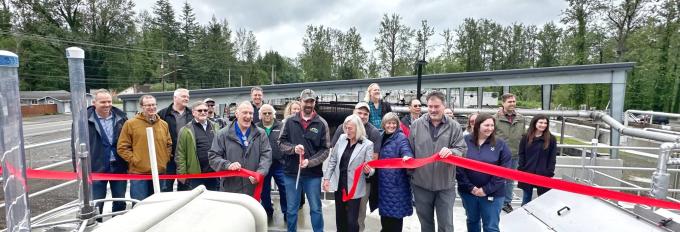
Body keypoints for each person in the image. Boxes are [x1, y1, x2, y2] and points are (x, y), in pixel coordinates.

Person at [409, 91, 466, 232]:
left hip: (445, 186)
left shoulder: (454, 126)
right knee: (425, 223)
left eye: (436, 106)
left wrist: (452, 152)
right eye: (430, 106)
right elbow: (409, 150)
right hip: (421, 185)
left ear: (443, 105)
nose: (433, 110)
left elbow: (462, 150)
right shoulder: (416, 125)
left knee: (446, 225)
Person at [278, 89, 331, 232]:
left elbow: (326, 149)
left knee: (315, 208)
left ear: (315, 103)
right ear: (300, 101)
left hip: (312, 175)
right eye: (306, 101)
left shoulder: (321, 123)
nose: (308, 104)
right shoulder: (289, 121)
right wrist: (293, 149)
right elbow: (280, 143)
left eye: (311, 101)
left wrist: (310, 162)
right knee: (291, 209)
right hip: (291, 173)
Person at [330, 102, 382, 231]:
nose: (363, 116)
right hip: (342, 182)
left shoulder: (373, 132)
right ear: (354, 112)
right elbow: (334, 153)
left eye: (366, 114)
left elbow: (373, 160)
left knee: (357, 217)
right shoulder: (342, 130)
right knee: (341, 215)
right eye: (360, 112)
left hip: (361, 182)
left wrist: (364, 169)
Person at [457, 113, 512, 232]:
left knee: (491, 227)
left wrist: (486, 189)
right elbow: (458, 168)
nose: (490, 128)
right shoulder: (464, 141)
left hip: (493, 194)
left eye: (492, 125)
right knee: (472, 221)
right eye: (486, 125)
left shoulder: (500, 144)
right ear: (477, 126)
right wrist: (471, 188)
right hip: (468, 192)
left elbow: (504, 171)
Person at [323, 115, 375, 232]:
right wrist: (326, 179)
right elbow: (333, 160)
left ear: (358, 128)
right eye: (346, 128)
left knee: (352, 221)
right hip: (340, 185)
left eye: (350, 128)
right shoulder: (342, 138)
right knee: (340, 219)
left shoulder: (368, 144)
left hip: (354, 188)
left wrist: (368, 171)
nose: (347, 131)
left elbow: (371, 169)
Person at [81, 89, 128, 216]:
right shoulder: (83, 121)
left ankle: (118, 225)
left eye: (109, 101)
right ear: (94, 103)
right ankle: (97, 226)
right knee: (96, 203)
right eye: (103, 102)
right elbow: (76, 147)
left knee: (120, 201)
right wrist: (79, 170)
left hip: (118, 167)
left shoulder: (122, 118)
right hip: (96, 168)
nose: (107, 105)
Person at [208, 101, 272, 195]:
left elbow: (266, 155)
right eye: (245, 112)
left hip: (253, 187)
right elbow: (213, 157)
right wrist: (227, 165)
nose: (248, 116)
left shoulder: (260, 134)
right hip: (230, 188)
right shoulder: (223, 134)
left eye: (250, 113)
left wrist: (260, 173)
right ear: (237, 114)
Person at [117, 95, 172, 201]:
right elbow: (122, 147)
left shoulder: (163, 124)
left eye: (153, 104)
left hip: (159, 172)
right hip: (139, 174)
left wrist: (165, 159)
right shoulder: (130, 124)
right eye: (148, 105)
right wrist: (136, 161)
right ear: (142, 107)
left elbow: (168, 144)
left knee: (158, 205)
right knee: (140, 205)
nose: (151, 107)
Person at [377, 112, 414, 232]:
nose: (391, 126)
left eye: (394, 123)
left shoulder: (401, 137)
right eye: (388, 123)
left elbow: (406, 149)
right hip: (383, 185)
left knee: (395, 220)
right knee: (385, 218)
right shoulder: (381, 136)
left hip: (396, 185)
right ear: (384, 124)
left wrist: (407, 157)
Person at [175, 101, 220, 191]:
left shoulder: (215, 127)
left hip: (214, 173)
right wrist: (182, 175)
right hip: (195, 175)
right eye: (200, 110)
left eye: (205, 110)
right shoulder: (185, 130)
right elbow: (180, 154)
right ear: (193, 113)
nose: (203, 112)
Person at [494, 93, 526, 213]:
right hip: (498, 155)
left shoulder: (521, 118)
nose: (512, 104)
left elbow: (523, 136)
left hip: (514, 155)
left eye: (513, 101)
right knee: (496, 178)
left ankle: (506, 202)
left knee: (510, 181)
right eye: (509, 101)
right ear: (503, 103)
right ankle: (495, 200)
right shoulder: (495, 118)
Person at [256, 104, 288, 221]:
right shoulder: (256, 128)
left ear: (273, 114)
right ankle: (267, 210)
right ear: (260, 115)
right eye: (264, 113)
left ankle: (286, 212)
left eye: (269, 113)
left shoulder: (282, 126)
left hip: (279, 163)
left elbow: (287, 142)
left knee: (284, 187)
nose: (267, 115)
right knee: (264, 190)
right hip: (263, 164)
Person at [158, 88, 193, 192]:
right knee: (165, 190)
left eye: (187, 97)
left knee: (185, 191)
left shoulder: (192, 114)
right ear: (174, 98)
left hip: (186, 159)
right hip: (168, 159)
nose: (186, 98)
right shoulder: (162, 114)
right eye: (183, 96)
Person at [518, 114, 557, 205]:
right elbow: (521, 154)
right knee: (526, 198)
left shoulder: (551, 139)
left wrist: (550, 171)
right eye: (541, 122)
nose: (543, 125)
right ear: (535, 123)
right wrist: (522, 168)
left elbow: (552, 157)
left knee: (543, 199)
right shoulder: (526, 137)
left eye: (545, 123)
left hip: (543, 173)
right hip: (528, 172)